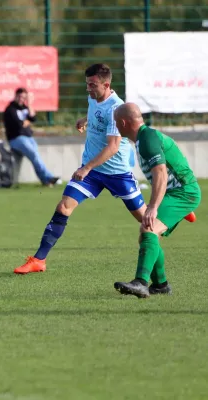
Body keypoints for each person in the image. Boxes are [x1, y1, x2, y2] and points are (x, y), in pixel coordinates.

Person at [14, 63, 146, 274]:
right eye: (87, 84)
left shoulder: (116, 108)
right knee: (63, 207)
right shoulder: (93, 97)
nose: (88, 89)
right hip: (93, 172)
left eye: (92, 85)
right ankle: (39, 260)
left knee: (146, 219)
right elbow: (96, 114)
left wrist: (86, 168)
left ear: (107, 84)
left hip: (117, 173)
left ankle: (175, 212)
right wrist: (85, 120)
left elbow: (112, 147)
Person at [113, 103, 200, 298]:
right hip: (176, 193)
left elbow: (160, 172)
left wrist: (153, 207)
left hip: (183, 193)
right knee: (146, 234)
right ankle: (160, 285)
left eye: (116, 123)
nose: (116, 127)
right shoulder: (144, 138)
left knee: (148, 229)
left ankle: (141, 283)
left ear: (124, 122)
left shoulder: (147, 139)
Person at [4, 88, 60, 187]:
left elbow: (33, 118)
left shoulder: (25, 108)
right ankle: (48, 177)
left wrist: (29, 105)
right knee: (34, 155)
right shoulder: (10, 110)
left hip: (28, 137)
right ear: (15, 96)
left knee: (36, 157)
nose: (21, 99)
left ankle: (46, 181)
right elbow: (19, 124)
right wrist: (27, 120)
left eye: (24, 97)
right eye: (20, 96)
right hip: (17, 138)